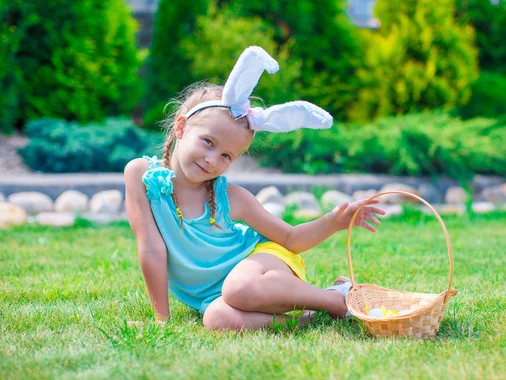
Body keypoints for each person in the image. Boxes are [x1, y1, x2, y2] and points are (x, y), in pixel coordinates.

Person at [124, 46, 385, 331]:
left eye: (226, 156)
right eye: (208, 142)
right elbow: (151, 249)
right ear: (181, 127)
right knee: (216, 319)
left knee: (239, 287)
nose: (213, 160)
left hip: (262, 269)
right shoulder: (141, 176)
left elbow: (290, 238)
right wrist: (161, 320)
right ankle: (314, 314)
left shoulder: (230, 198)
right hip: (214, 297)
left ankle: (335, 301)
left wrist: (335, 222)